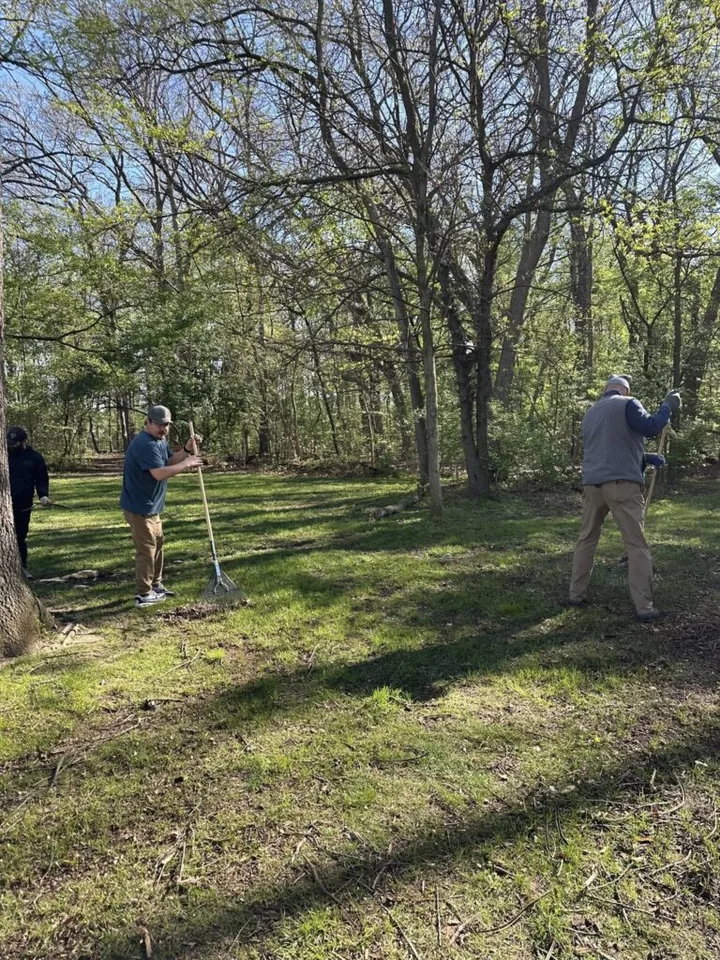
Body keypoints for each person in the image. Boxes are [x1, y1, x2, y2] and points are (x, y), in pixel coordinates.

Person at [566, 375, 681, 622]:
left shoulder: (590, 413)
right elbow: (651, 427)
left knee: (586, 539)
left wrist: (647, 457)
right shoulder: (628, 403)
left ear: (606, 389)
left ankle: (576, 595)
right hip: (622, 486)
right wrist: (667, 406)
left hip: (592, 485)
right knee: (636, 544)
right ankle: (644, 608)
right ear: (625, 389)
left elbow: (611, 448)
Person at [120, 405, 202, 607]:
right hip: (139, 506)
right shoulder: (144, 444)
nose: (163, 429)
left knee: (157, 545)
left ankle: (156, 585)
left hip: (152, 506)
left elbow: (169, 460)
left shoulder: (160, 441)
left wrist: (186, 451)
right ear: (147, 422)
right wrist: (187, 464)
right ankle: (144, 594)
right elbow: (159, 473)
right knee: (146, 549)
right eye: (159, 424)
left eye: (166, 425)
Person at [7, 426, 51, 578]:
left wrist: (43, 495)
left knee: (19, 535)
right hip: (4, 502)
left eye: (14, 443)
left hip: (23, 503)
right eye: (9, 442)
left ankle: (22, 567)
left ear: (24, 441)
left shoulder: (35, 457)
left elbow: (42, 479)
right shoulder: (4, 455)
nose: (11, 446)